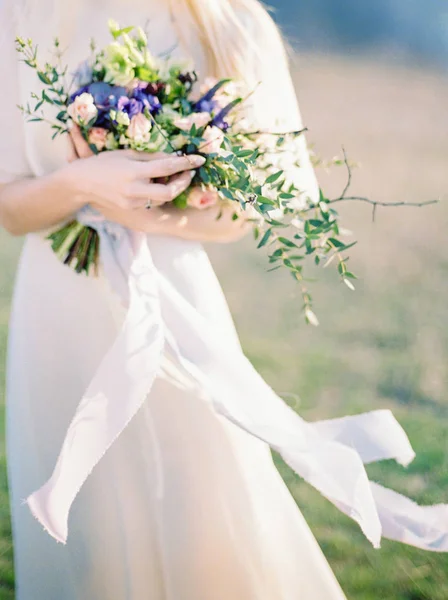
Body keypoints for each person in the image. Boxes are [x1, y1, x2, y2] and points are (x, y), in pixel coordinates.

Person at [1, 1, 446, 599]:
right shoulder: (24, 15)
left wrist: (147, 211)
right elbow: (10, 208)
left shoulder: (232, 24)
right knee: (87, 542)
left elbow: (240, 216)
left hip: (179, 310)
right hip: (57, 312)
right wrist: (86, 184)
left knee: (210, 516)